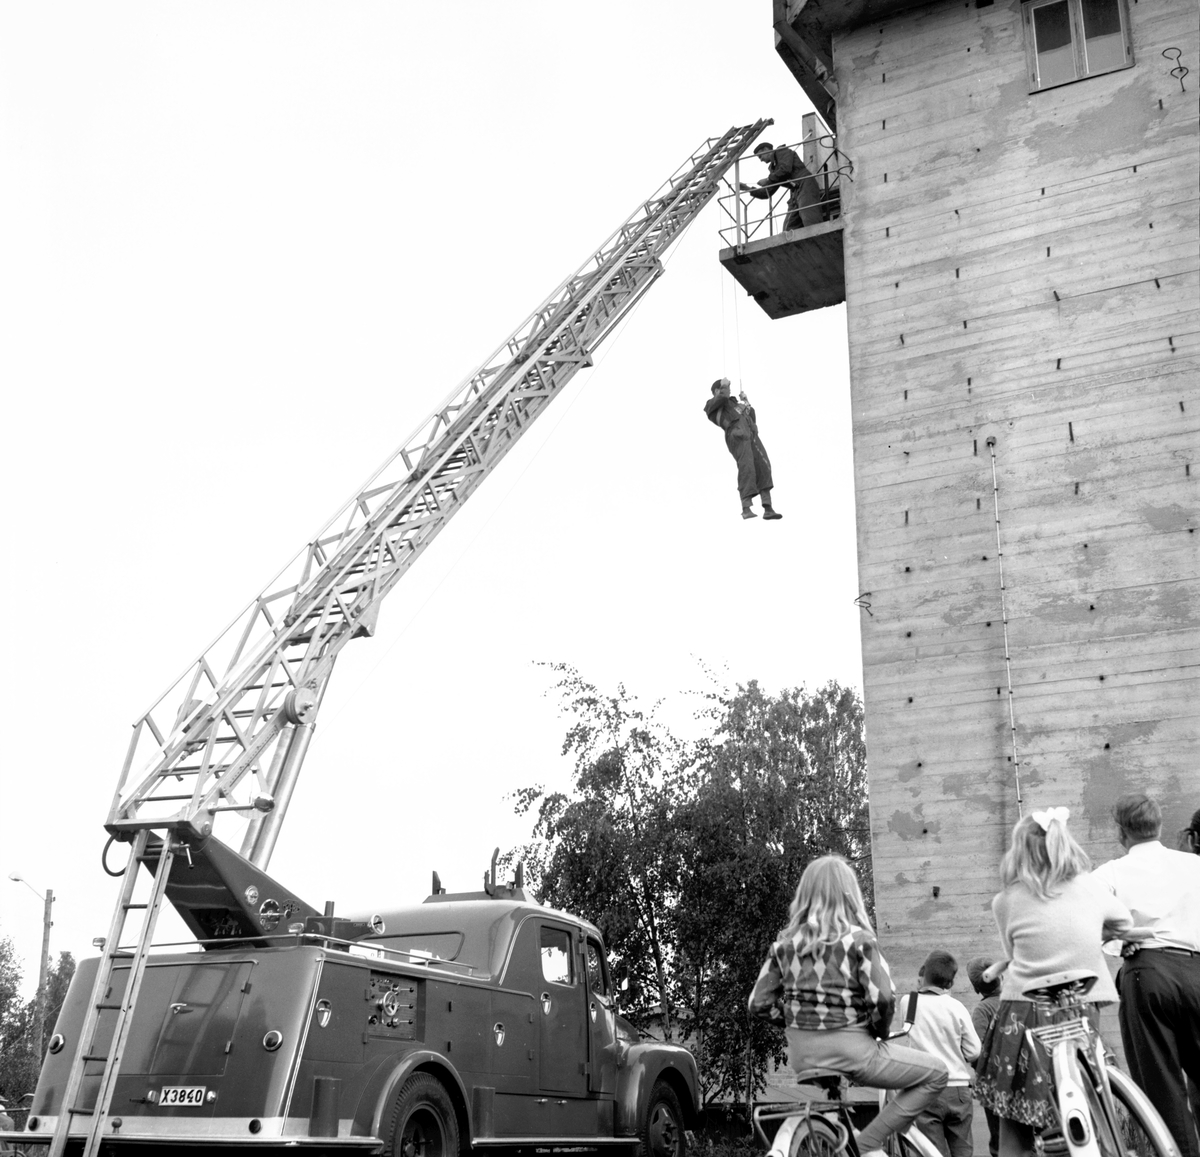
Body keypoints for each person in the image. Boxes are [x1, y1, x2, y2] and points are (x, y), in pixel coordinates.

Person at [748, 855, 948, 1157]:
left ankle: (846, 1145)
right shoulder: (859, 941)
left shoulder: (784, 947)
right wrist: (877, 1031)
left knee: (838, 1112)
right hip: (854, 1052)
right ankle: (868, 1146)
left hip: (804, 1057)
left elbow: (758, 1003)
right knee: (936, 1073)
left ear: (805, 896)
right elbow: (882, 999)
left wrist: (799, 1019)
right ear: (850, 894)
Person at [974, 807, 1144, 1157]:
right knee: (1084, 1105)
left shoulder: (1004, 901)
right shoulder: (1090, 888)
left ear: (1018, 850)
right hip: (1078, 1007)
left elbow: (1013, 950)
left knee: (1014, 1125)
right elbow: (1124, 922)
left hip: (1023, 1013)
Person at [1092, 794, 1200, 1157]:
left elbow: (1085, 919)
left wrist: (1119, 942)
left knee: (1163, 1088)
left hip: (1148, 973)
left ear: (1121, 832)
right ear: (1159, 825)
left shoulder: (1110, 873)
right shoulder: (1193, 865)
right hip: (1198, 970)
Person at [903, 950, 980, 1157]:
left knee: (932, 1151)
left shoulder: (908, 1002)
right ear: (950, 984)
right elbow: (974, 1051)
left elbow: (908, 1028)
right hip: (957, 1089)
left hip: (924, 1086)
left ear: (923, 976)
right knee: (963, 1149)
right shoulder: (956, 1006)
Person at [704, 378, 781, 520]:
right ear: (717, 391)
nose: (729, 389)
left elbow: (751, 416)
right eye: (725, 387)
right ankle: (746, 507)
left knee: (764, 466)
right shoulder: (712, 405)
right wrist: (723, 387)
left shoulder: (735, 405)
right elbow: (720, 398)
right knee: (747, 466)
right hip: (737, 435)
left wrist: (746, 402)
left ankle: (768, 507)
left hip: (751, 436)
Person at [740, 141, 823, 231]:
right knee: (788, 228)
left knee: (810, 217)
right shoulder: (774, 169)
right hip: (795, 192)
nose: (761, 160)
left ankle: (819, 236)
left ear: (766, 150)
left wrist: (768, 180)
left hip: (805, 184)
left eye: (760, 156)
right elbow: (767, 192)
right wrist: (747, 189)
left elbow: (785, 169)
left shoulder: (781, 151)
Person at [965, 957, 1001, 1157]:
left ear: (976, 990)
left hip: (993, 1084)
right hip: (1023, 1081)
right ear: (1001, 976)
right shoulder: (1016, 1001)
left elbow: (975, 1050)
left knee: (999, 1140)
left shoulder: (982, 1010)